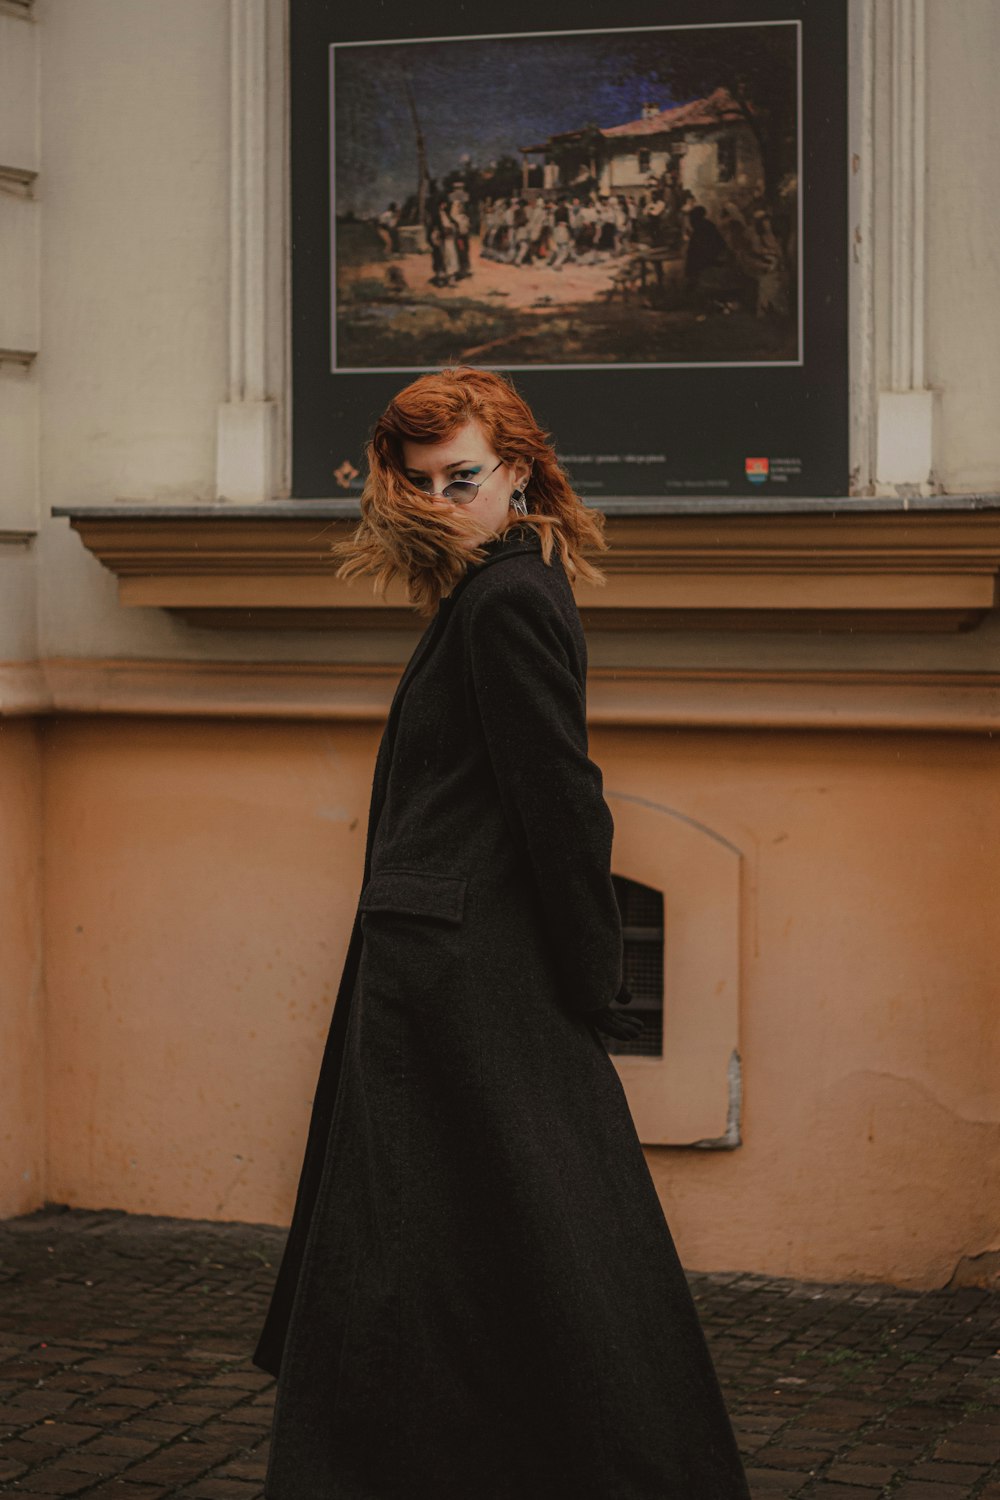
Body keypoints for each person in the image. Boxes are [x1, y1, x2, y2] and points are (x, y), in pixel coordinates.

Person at [251, 367, 753, 1500]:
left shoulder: (511, 598)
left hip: (466, 977)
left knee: (483, 1236)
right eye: (419, 482)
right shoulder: (486, 591)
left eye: (462, 477)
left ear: (517, 470)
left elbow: (560, 799)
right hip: (441, 964)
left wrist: (588, 973)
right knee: (453, 1237)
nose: (440, 498)